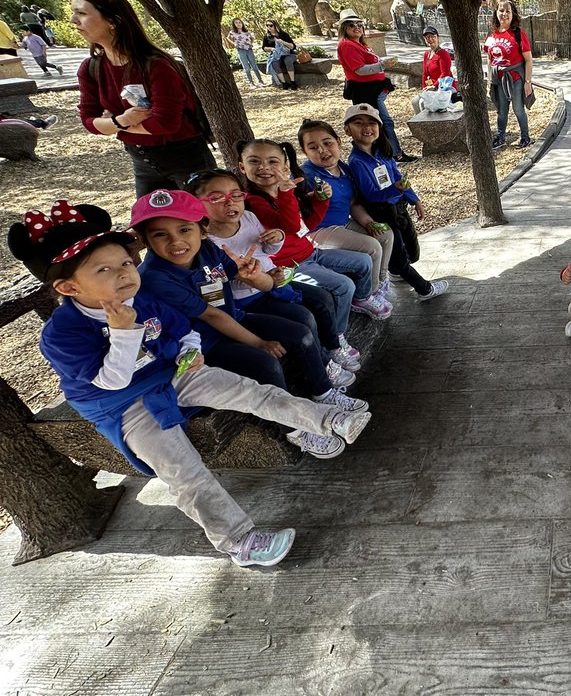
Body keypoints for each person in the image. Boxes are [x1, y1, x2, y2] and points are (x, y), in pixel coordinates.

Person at [6, 200, 371, 567]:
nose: (124, 274)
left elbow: (182, 330)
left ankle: (327, 420)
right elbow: (111, 381)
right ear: (69, 287)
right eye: (103, 269)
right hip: (123, 404)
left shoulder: (140, 297)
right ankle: (239, 541)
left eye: (126, 263)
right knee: (183, 470)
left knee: (251, 391)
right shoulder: (61, 334)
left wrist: (190, 351)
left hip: (171, 371)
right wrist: (123, 333)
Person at [134, 188, 357, 407]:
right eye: (160, 234)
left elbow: (257, 281)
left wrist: (259, 277)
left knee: (301, 333)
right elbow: (210, 315)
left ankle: (323, 391)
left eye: (184, 230)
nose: (175, 241)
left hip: (232, 317)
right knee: (266, 364)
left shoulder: (207, 249)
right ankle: (289, 420)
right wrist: (258, 342)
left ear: (203, 230)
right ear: (145, 240)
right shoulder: (155, 276)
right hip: (200, 341)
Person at [186, 169, 363, 383]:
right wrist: (260, 277)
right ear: (196, 204)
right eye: (216, 198)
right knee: (303, 317)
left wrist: (277, 238)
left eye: (236, 195)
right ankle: (323, 365)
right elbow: (220, 286)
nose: (230, 202)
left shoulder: (248, 217)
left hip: (275, 282)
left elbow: (269, 250)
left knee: (322, 298)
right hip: (248, 298)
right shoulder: (206, 242)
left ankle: (333, 347)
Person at [72, 0, 216, 196]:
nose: (74, 20)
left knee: (204, 214)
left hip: (186, 159)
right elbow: (88, 121)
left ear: (112, 21)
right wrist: (123, 120)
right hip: (142, 162)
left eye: (81, 13)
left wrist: (112, 125)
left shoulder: (156, 65)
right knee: (147, 217)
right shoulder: (90, 68)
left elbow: (165, 123)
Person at [238, 138, 388, 324]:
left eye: (272, 161)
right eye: (254, 161)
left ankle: (362, 299)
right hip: (289, 266)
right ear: (242, 167)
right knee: (344, 285)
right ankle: (338, 333)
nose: (264, 167)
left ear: (285, 167)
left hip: (310, 252)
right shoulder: (253, 202)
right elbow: (291, 226)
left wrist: (320, 199)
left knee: (364, 261)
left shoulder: (284, 194)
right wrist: (286, 194)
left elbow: (306, 226)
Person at [343, 103, 448, 302]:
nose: (367, 127)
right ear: (347, 130)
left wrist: (414, 199)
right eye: (359, 123)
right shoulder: (357, 162)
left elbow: (399, 177)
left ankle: (396, 270)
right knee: (400, 255)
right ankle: (424, 289)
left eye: (372, 123)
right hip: (381, 212)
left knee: (412, 251)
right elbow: (370, 195)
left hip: (398, 208)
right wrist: (396, 189)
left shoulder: (382, 152)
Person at [298, 118, 394, 304]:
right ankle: (368, 295)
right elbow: (296, 205)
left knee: (385, 234)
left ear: (338, 142)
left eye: (327, 143)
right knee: (372, 247)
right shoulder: (305, 175)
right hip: (319, 230)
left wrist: (368, 223)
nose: (322, 150)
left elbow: (353, 203)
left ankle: (382, 281)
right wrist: (313, 196)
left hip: (343, 223)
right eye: (313, 147)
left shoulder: (344, 169)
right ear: (305, 152)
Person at [336, 9, 417, 162]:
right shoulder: (347, 45)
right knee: (382, 122)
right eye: (351, 25)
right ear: (344, 28)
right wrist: (382, 65)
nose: (357, 27)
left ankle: (389, 153)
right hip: (365, 91)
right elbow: (360, 70)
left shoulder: (358, 44)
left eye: (359, 24)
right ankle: (393, 153)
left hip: (373, 89)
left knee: (380, 122)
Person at [485, 0, 534, 149]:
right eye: (501, 10)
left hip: (516, 78)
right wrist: (490, 80)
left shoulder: (518, 34)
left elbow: (528, 60)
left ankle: (525, 137)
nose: (504, 14)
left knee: (518, 109)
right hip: (499, 79)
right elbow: (489, 59)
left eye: (508, 11)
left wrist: (527, 82)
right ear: (496, 13)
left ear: (513, 15)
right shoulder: (492, 36)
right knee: (501, 110)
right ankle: (500, 137)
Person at [420, 24, 458, 100]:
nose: (430, 39)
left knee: (422, 103)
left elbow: (445, 74)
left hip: (445, 88)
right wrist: (424, 87)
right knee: (416, 101)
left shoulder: (443, 54)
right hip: (432, 87)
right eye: (427, 37)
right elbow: (425, 73)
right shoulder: (426, 54)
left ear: (438, 37)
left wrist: (434, 86)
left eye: (432, 36)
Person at [227, 18, 265, 87]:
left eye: (239, 22)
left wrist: (251, 43)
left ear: (242, 23)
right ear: (234, 24)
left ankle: (260, 81)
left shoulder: (246, 32)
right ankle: (251, 83)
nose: (238, 24)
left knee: (254, 66)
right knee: (246, 68)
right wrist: (234, 43)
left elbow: (252, 38)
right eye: (236, 23)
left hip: (249, 50)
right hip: (241, 50)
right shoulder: (232, 32)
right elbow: (228, 38)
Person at [261, 19, 298, 90]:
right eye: (267, 25)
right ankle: (284, 83)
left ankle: (293, 82)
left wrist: (283, 42)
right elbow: (264, 47)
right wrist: (271, 49)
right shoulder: (266, 36)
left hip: (289, 54)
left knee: (288, 61)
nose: (269, 27)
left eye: (271, 25)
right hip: (276, 55)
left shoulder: (284, 34)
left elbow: (293, 46)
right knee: (274, 63)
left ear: (275, 25)